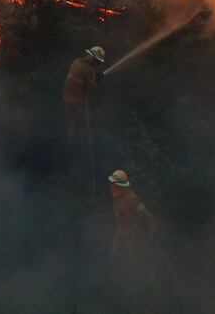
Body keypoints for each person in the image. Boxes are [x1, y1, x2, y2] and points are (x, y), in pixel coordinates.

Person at [107, 169, 158, 310]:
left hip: (132, 235)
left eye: (114, 183)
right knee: (114, 259)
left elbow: (142, 210)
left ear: (120, 185)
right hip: (120, 233)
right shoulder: (115, 198)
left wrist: (152, 224)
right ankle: (115, 291)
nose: (111, 186)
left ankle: (134, 293)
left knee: (132, 262)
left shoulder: (132, 198)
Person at [63, 46, 105, 144]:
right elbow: (92, 89)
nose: (97, 63)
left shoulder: (76, 62)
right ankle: (81, 147)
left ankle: (70, 146)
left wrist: (94, 77)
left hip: (67, 99)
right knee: (83, 125)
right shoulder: (88, 69)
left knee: (72, 123)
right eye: (96, 60)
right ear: (92, 57)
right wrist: (97, 81)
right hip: (78, 102)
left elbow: (81, 77)